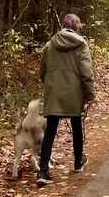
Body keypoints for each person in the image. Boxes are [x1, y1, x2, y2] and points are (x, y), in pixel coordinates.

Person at [37, 13, 95, 186]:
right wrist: (90, 93)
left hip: (53, 92)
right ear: (76, 27)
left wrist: (52, 84)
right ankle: (78, 162)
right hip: (74, 93)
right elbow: (86, 71)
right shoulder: (81, 44)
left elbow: (42, 72)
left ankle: (43, 171)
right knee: (76, 125)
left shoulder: (49, 45)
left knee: (50, 132)